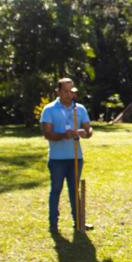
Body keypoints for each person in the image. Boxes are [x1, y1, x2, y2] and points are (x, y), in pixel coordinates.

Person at [40, 78, 93, 233]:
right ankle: (53, 224)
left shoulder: (80, 109)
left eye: (72, 91)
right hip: (57, 159)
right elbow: (47, 134)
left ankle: (79, 222)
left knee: (74, 190)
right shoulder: (49, 109)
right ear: (58, 91)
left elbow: (89, 130)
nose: (70, 94)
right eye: (66, 91)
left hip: (76, 157)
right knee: (56, 189)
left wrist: (85, 133)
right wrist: (64, 135)